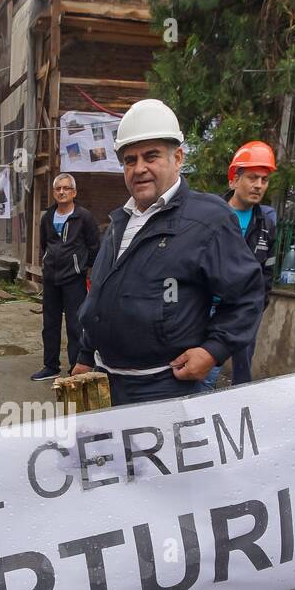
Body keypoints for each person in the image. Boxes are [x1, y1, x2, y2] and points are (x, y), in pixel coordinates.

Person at [71, 99, 265, 406]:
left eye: (151, 156)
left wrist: (212, 350)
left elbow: (248, 296)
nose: (139, 169)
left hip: (164, 389)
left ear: (177, 158)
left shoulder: (208, 220)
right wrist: (85, 355)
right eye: (130, 160)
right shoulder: (120, 221)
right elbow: (100, 298)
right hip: (106, 384)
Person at [205, 140, 279, 390]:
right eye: (252, 178)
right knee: (206, 371)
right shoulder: (210, 214)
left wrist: (257, 306)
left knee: (242, 374)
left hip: (244, 310)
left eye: (264, 180)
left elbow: (266, 271)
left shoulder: (266, 223)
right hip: (207, 308)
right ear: (234, 180)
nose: (259, 185)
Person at [31, 173, 100, 380]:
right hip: (51, 277)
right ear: (54, 193)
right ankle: (50, 366)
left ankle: (75, 366)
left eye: (66, 188)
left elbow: (94, 246)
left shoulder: (83, 216)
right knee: (50, 324)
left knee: (75, 324)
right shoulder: (47, 217)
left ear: (74, 192)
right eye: (58, 189)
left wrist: (83, 268)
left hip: (74, 278)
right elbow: (45, 244)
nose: (62, 192)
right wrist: (47, 262)